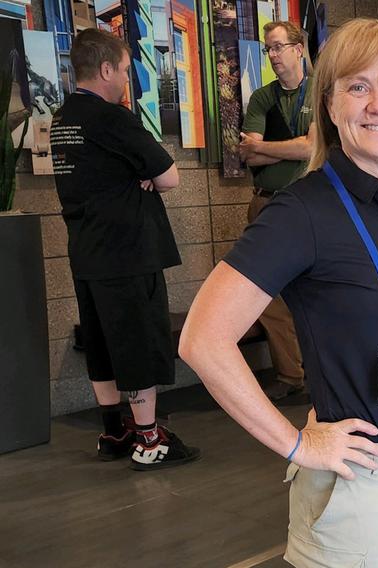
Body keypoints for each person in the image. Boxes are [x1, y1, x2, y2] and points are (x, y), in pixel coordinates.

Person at [179, 18, 378, 567]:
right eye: (358, 86)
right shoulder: (301, 212)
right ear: (329, 104)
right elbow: (203, 339)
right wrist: (299, 445)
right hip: (359, 481)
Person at [50, 28, 201, 470]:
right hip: (127, 252)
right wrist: (148, 176)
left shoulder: (62, 119)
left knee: (101, 343)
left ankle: (114, 432)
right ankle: (150, 440)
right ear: (105, 69)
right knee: (135, 342)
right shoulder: (111, 117)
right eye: (123, 69)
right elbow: (169, 175)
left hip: (87, 252)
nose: (125, 80)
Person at [236, 20, 315, 400]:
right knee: (266, 295)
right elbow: (248, 150)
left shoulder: (320, 91)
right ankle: (292, 374)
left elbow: (312, 149)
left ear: (299, 49)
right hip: (267, 202)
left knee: (318, 290)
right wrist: (291, 145)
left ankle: (315, 370)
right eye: (268, 48)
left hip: (311, 205)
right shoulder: (262, 99)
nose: (273, 55)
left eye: (280, 47)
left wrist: (269, 146)